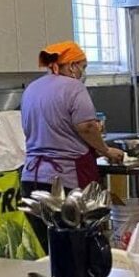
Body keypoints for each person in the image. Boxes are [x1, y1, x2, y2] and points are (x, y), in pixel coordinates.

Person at [20, 41, 124, 248]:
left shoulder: (32, 88)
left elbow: (36, 127)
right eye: (83, 67)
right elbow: (86, 127)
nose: (83, 73)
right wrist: (106, 150)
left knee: (49, 248)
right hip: (65, 183)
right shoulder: (74, 87)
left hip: (31, 178)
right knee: (75, 247)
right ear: (71, 66)